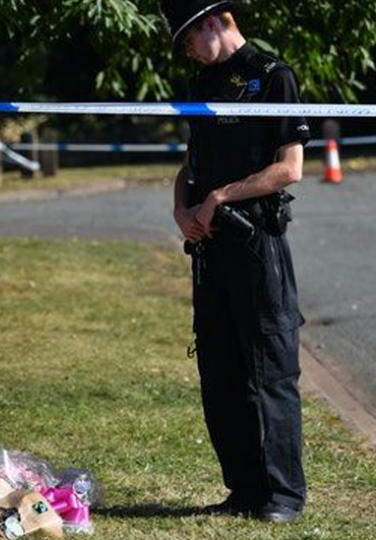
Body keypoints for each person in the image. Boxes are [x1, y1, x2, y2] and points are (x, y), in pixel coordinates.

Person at [160, 0, 310, 523]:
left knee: (270, 370)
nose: (187, 52)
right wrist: (182, 208)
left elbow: (289, 169)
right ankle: (242, 489)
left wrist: (221, 197)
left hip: (257, 243)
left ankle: (283, 496)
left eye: (188, 40)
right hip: (210, 247)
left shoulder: (273, 77)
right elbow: (189, 163)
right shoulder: (201, 85)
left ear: (214, 23)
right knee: (219, 370)